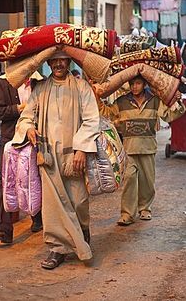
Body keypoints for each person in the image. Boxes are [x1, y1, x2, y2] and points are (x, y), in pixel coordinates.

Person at [12, 50, 100, 269]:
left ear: (68, 61)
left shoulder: (81, 87)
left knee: (78, 201)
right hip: (48, 157)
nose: (59, 63)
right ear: (49, 62)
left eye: (63, 59)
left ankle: (82, 231)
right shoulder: (40, 89)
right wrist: (29, 127)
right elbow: (25, 117)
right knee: (52, 206)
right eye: (55, 60)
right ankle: (56, 248)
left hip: (74, 156)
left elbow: (91, 120)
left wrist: (82, 150)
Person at [94, 75, 185, 226]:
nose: (134, 87)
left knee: (147, 181)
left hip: (148, 147)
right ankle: (127, 214)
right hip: (129, 148)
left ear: (144, 84)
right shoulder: (122, 101)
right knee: (129, 179)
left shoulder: (154, 100)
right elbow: (107, 113)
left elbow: (169, 115)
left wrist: (177, 101)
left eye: (138, 83)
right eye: (132, 84)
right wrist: (96, 97)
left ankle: (145, 208)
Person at [0, 71, 44, 244]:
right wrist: (18, 109)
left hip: (34, 137)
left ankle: (38, 219)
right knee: (7, 182)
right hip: (11, 139)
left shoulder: (39, 82)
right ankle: (4, 231)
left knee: (35, 179)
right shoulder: (5, 83)